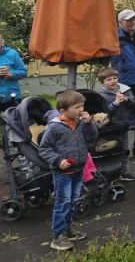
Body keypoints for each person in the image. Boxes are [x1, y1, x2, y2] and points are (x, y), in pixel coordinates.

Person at [38, 90, 97, 251]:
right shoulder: (54, 128)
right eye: (77, 107)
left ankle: (68, 229)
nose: (81, 110)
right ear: (63, 111)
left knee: (72, 202)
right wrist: (58, 160)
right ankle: (58, 236)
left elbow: (92, 139)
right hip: (62, 173)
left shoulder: (79, 123)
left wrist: (89, 123)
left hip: (78, 170)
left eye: (82, 106)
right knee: (62, 203)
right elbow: (44, 149)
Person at [111, 9, 135, 158]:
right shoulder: (114, 38)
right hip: (124, 83)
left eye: (133, 19)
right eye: (128, 20)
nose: (132, 22)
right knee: (121, 118)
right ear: (120, 22)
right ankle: (119, 150)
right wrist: (116, 80)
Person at [0, 29, 27, 184]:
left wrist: (11, 74)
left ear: (1, 40)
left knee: (19, 132)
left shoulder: (12, 54)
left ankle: (25, 163)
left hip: (12, 99)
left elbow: (23, 71)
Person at [97, 67, 135, 182]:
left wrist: (127, 100)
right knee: (111, 149)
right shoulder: (102, 96)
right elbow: (104, 113)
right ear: (103, 82)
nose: (113, 81)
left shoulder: (125, 90)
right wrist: (116, 103)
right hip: (110, 128)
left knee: (124, 149)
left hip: (124, 125)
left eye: (115, 78)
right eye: (109, 79)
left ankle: (125, 171)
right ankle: (112, 172)